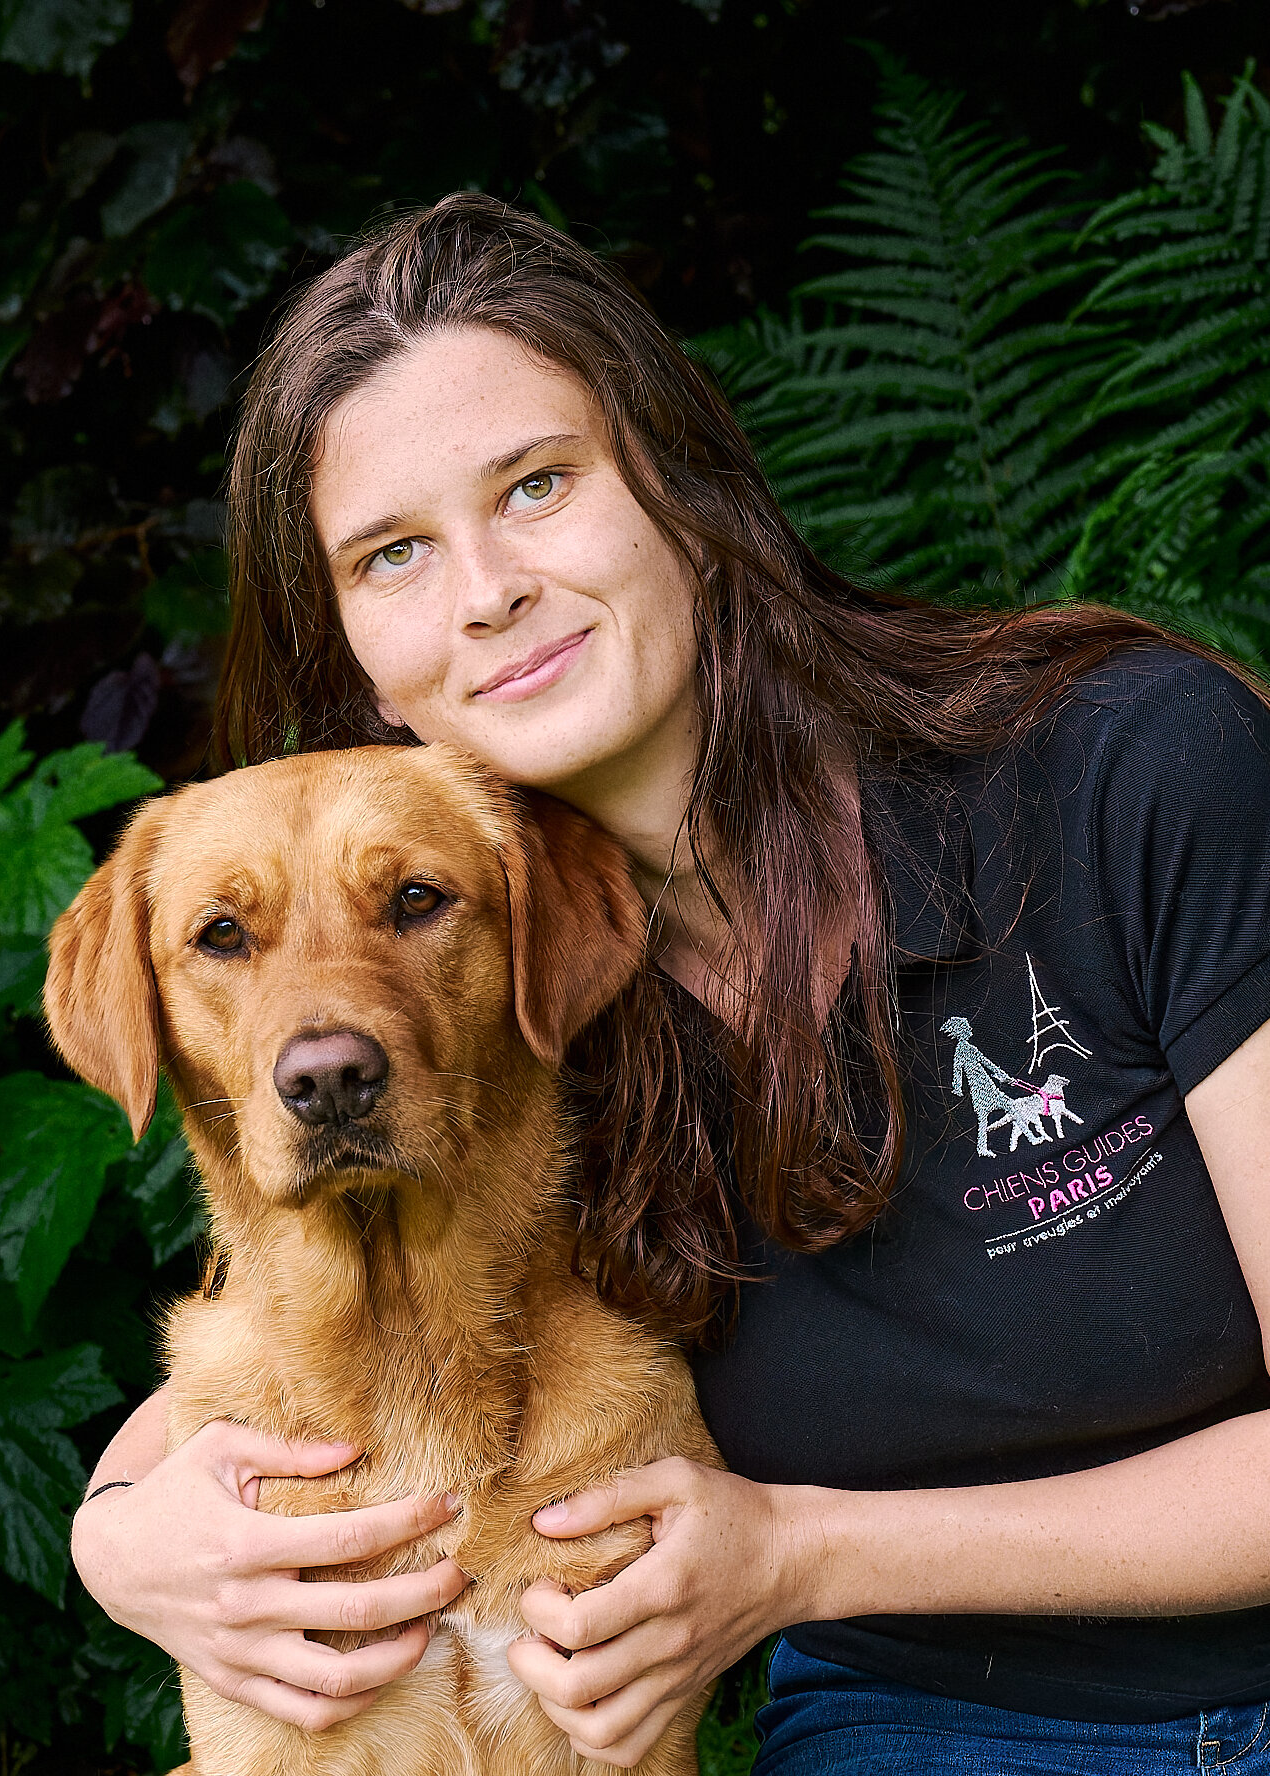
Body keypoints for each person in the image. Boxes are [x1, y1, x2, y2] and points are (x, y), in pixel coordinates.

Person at [71, 195, 1270, 1772]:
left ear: (685, 486)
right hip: (916, 1729)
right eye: (397, 553)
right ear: (363, 660)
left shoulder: (1127, 770)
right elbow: (286, 1320)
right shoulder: (495, 977)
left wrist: (799, 1554)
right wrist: (117, 1539)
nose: (489, 589)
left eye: (538, 485)